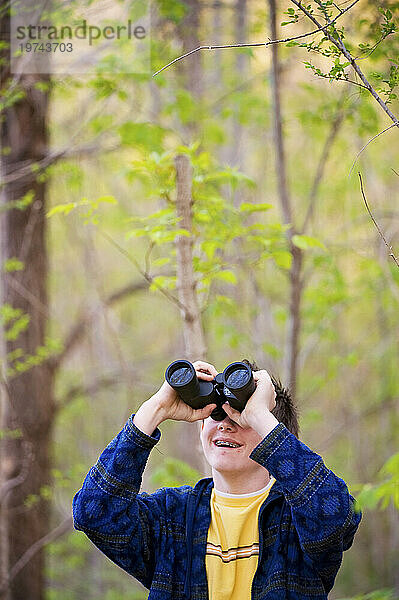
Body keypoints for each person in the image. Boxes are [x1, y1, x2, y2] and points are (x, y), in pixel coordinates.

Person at [73, 360, 362, 600]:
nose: (225, 423)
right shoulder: (172, 519)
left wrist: (260, 414)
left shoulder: (297, 521)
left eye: (242, 417)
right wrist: (156, 408)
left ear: (272, 432)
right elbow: (94, 512)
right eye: (217, 413)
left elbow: (337, 516)